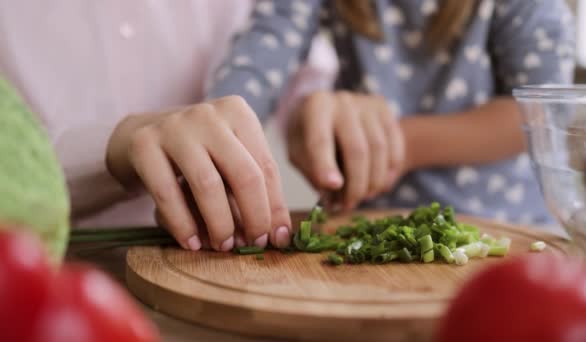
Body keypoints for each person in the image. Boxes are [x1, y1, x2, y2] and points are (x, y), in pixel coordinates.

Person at [0, 1, 337, 251]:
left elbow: (292, 66)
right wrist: (113, 149)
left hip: (208, 266)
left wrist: (318, 112)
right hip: (35, 276)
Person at [206, 0, 575, 224]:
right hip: (369, 224)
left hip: (507, 227)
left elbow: (539, 111)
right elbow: (261, 53)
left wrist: (395, 143)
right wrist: (215, 145)